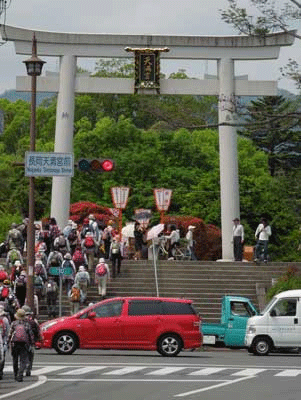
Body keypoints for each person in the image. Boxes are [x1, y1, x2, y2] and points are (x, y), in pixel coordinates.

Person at [8, 308, 34, 382]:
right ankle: (20, 374)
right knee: (23, 360)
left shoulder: (14, 324)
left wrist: (8, 342)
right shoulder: (26, 324)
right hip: (24, 344)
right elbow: (30, 335)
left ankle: (15, 374)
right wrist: (31, 343)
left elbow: (9, 334)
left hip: (15, 343)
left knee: (15, 360)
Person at [22, 305, 42, 377]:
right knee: (30, 355)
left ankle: (22, 368)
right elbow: (38, 331)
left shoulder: (19, 321)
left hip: (21, 341)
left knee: (22, 356)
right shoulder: (34, 321)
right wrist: (39, 340)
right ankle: (28, 369)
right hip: (30, 341)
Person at [0, 305, 10, 380]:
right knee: (2, 357)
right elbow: (7, 332)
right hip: (3, 341)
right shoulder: (5, 319)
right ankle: (0, 372)